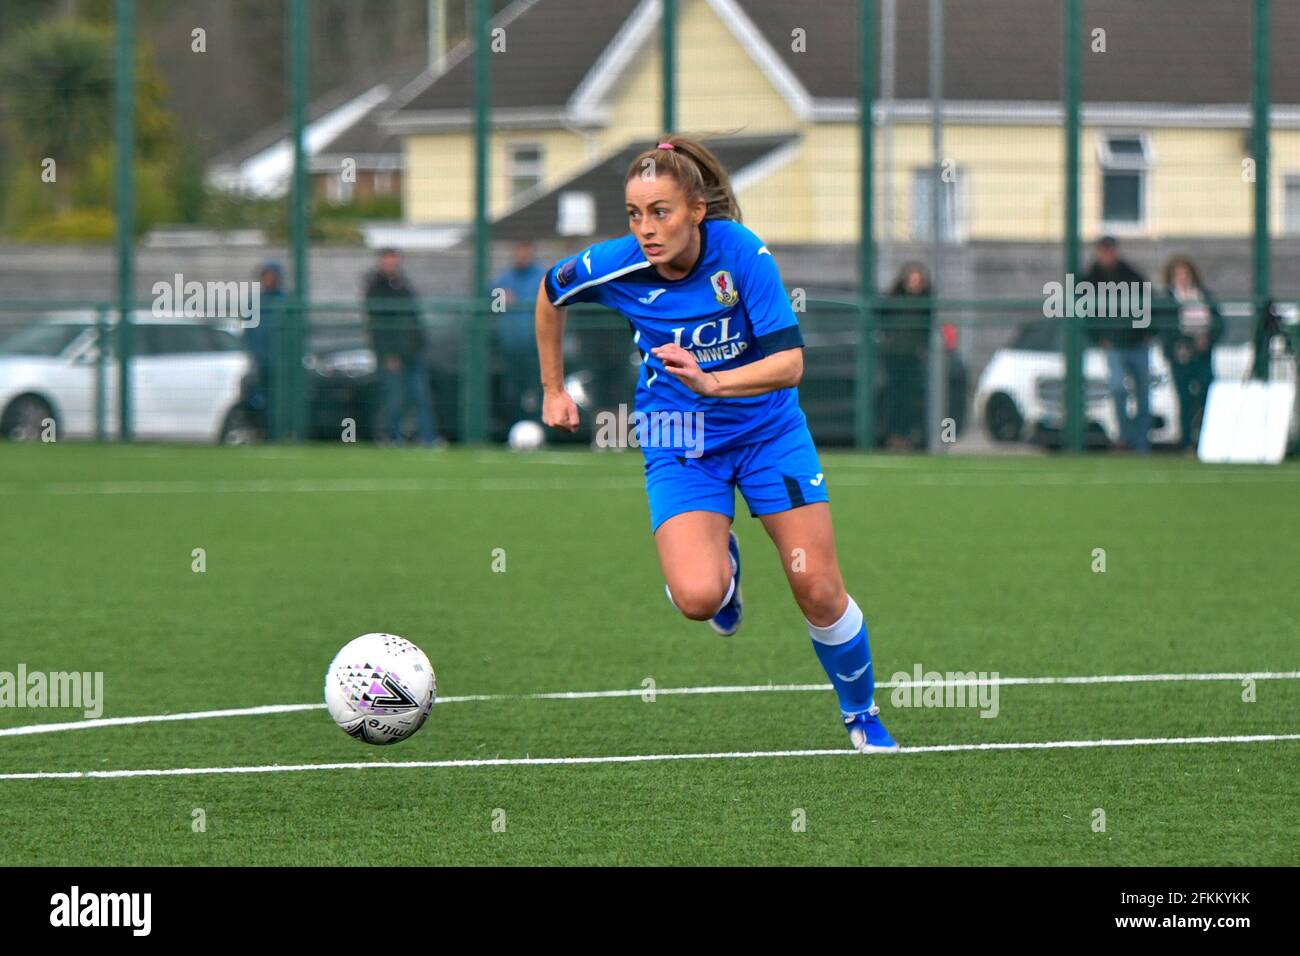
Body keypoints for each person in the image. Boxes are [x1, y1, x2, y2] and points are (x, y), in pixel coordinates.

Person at [534, 135, 898, 753]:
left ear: (697, 210)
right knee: (698, 600)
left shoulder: (744, 255)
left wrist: (714, 381)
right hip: (678, 438)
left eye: (661, 212)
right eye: (634, 214)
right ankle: (721, 568)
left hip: (767, 433)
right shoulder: (616, 264)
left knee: (816, 586)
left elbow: (789, 364)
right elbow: (549, 293)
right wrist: (552, 389)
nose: (646, 229)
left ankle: (860, 712)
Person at [363, 248, 438, 446]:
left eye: (394, 261)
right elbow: (377, 326)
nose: (391, 265)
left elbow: (414, 318)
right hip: (393, 355)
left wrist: (420, 343)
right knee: (393, 399)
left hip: (413, 351)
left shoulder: (404, 284)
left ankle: (429, 439)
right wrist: (388, 354)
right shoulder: (375, 288)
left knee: (421, 397)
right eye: (387, 261)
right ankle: (391, 437)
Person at [1083, 236, 1152, 452]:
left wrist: (1148, 334)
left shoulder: (1132, 276)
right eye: (1103, 251)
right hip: (1113, 346)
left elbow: (1150, 305)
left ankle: (1140, 444)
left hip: (1138, 344)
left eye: (1110, 250)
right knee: (1117, 389)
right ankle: (1123, 438)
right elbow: (1084, 315)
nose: (1107, 255)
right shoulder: (1089, 280)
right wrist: (1099, 338)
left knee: (1143, 394)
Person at [1160, 255, 1223, 450]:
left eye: (1185, 274)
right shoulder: (1167, 300)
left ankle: (1206, 440)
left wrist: (1207, 340)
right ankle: (1186, 441)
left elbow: (1219, 323)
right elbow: (1165, 329)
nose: (1182, 278)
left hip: (1203, 355)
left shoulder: (1203, 296)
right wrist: (1186, 342)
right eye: (1178, 274)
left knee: (1206, 394)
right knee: (1185, 399)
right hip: (1181, 357)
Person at [492, 241, 547, 424]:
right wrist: (502, 299)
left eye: (525, 252)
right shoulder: (505, 279)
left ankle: (541, 430)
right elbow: (495, 307)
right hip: (511, 348)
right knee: (512, 391)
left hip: (536, 348)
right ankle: (513, 429)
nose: (521, 256)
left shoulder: (541, 277)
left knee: (537, 391)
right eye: (518, 252)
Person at [878, 263, 932, 449]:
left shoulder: (926, 303)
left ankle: (910, 436)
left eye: (918, 280)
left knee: (912, 399)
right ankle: (893, 436)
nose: (914, 284)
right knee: (894, 397)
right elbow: (880, 318)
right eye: (911, 279)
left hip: (914, 358)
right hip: (893, 357)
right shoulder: (894, 300)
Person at [244, 261, 284, 437]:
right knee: (259, 397)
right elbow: (248, 332)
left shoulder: (285, 302)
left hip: (281, 362)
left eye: (271, 275)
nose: (268, 279)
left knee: (279, 398)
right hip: (260, 361)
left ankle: (280, 431)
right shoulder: (255, 303)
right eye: (265, 276)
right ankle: (261, 431)